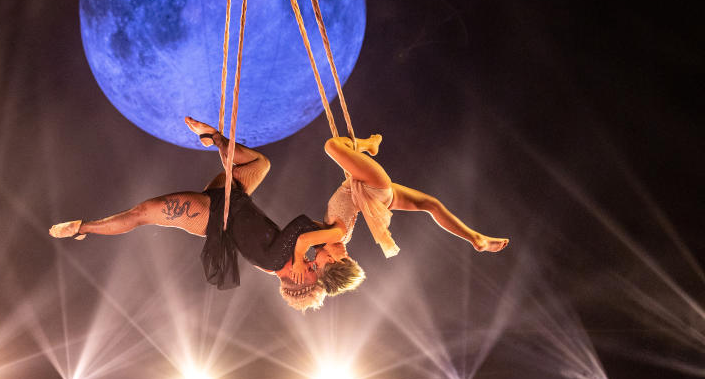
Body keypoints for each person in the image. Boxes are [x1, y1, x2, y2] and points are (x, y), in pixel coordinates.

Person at [49, 118, 352, 311]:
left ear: (300, 279)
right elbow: (300, 234)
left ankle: (83, 227)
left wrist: (327, 237)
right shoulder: (277, 262)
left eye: (312, 272)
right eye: (316, 268)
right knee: (261, 164)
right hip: (233, 196)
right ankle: (215, 137)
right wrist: (320, 245)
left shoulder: (277, 261)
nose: (313, 265)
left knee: (143, 213)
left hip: (208, 215)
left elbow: (300, 225)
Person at [297, 134, 509, 290]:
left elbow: (301, 231)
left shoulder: (335, 239)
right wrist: (298, 261)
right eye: (319, 266)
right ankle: (368, 144)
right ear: (334, 261)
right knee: (331, 146)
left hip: (374, 198)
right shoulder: (336, 237)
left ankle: (475, 238)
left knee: (431, 205)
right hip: (372, 186)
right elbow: (302, 241)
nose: (314, 262)